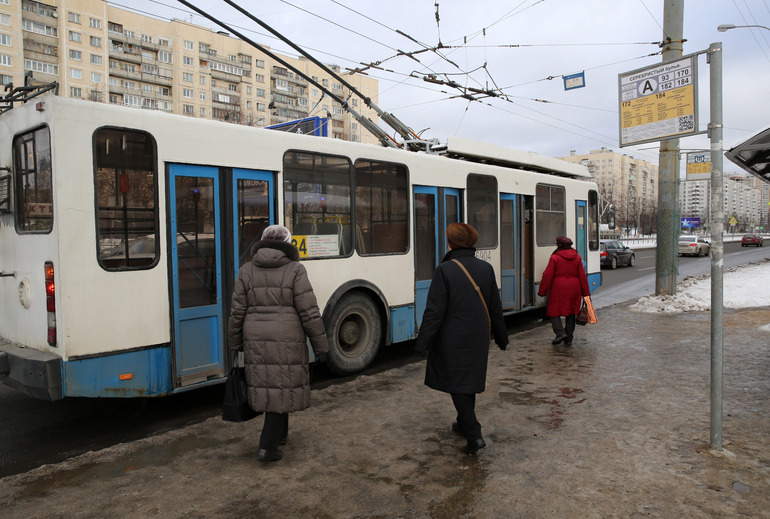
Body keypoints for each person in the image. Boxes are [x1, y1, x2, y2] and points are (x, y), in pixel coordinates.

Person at [228, 224, 328, 462]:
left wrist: (235, 342)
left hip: (254, 336)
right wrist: (321, 345)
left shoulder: (246, 270)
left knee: (273, 385)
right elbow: (309, 311)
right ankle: (267, 446)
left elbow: (237, 311)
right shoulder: (295, 269)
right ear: (287, 243)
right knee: (281, 384)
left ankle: (281, 435)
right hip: (286, 336)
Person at [415, 223, 509, 455]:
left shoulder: (445, 270)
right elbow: (495, 307)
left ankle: (474, 433)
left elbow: (434, 311)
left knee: (456, 382)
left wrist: (422, 342)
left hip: (452, 337)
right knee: (467, 379)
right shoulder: (486, 268)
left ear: (450, 244)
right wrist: (501, 337)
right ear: (474, 243)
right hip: (478, 336)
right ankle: (462, 422)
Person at [537, 236, 591, 346]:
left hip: (559, 287)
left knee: (553, 311)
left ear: (559, 245)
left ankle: (560, 333)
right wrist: (586, 293)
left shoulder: (555, 258)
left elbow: (547, 275)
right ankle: (569, 337)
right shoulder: (577, 258)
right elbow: (582, 277)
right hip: (575, 288)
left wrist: (542, 291)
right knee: (571, 312)